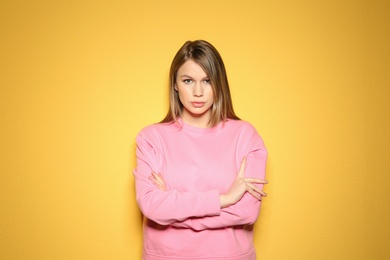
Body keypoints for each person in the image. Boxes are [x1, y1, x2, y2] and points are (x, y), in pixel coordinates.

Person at [133, 40, 268, 260]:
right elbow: (151, 206)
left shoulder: (245, 135)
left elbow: (246, 211)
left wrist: (173, 209)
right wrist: (224, 199)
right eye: (188, 80)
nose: (198, 92)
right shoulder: (151, 138)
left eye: (207, 81)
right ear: (175, 84)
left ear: (219, 83)